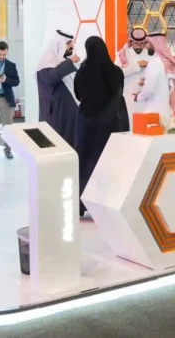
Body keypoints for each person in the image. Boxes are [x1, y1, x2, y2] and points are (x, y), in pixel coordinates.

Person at [74, 36, 129, 215]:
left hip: (88, 124)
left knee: (85, 162)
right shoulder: (116, 72)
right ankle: (107, 203)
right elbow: (120, 92)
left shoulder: (83, 72)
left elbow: (78, 94)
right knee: (108, 163)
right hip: (111, 124)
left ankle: (82, 203)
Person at [118, 31, 175, 127]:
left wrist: (141, 92)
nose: (139, 46)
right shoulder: (123, 55)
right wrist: (136, 66)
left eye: (142, 43)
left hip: (147, 101)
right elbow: (117, 74)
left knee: (147, 129)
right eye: (136, 43)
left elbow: (151, 85)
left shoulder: (153, 58)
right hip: (130, 100)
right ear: (130, 42)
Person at [36, 30, 80, 149]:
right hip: (55, 115)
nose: (72, 46)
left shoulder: (63, 62)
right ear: (59, 44)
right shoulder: (46, 62)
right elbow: (51, 78)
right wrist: (70, 63)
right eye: (68, 43)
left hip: (68, 115)